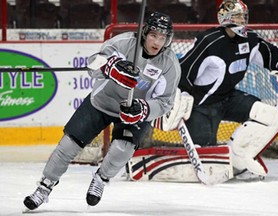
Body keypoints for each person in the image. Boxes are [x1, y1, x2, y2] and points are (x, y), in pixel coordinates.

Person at [23, 11, 181, 210]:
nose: (157, 41)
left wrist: (142, 109)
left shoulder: (169, 64)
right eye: (153, 35)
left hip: (132, 112)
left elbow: (165, 102)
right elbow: (92, 65)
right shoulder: (123, 43)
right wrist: (110, 68)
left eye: (162, 37)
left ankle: (101, 179)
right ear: (144, 33)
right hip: (102, 102)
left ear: (168, 39)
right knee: (67, 146)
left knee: (122, 150)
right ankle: (44, 187)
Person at [153, 0, 278, 178]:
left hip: (230, 98)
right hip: (203, 105)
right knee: (208, 158)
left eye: (244, 17)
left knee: (268, 116)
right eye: (239, 17)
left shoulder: (250, 39)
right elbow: (183, 71)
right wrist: (180, 95)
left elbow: (272, 56)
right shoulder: (209, 41)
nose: (243, 21)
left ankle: (241, 155)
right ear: (227, 18)